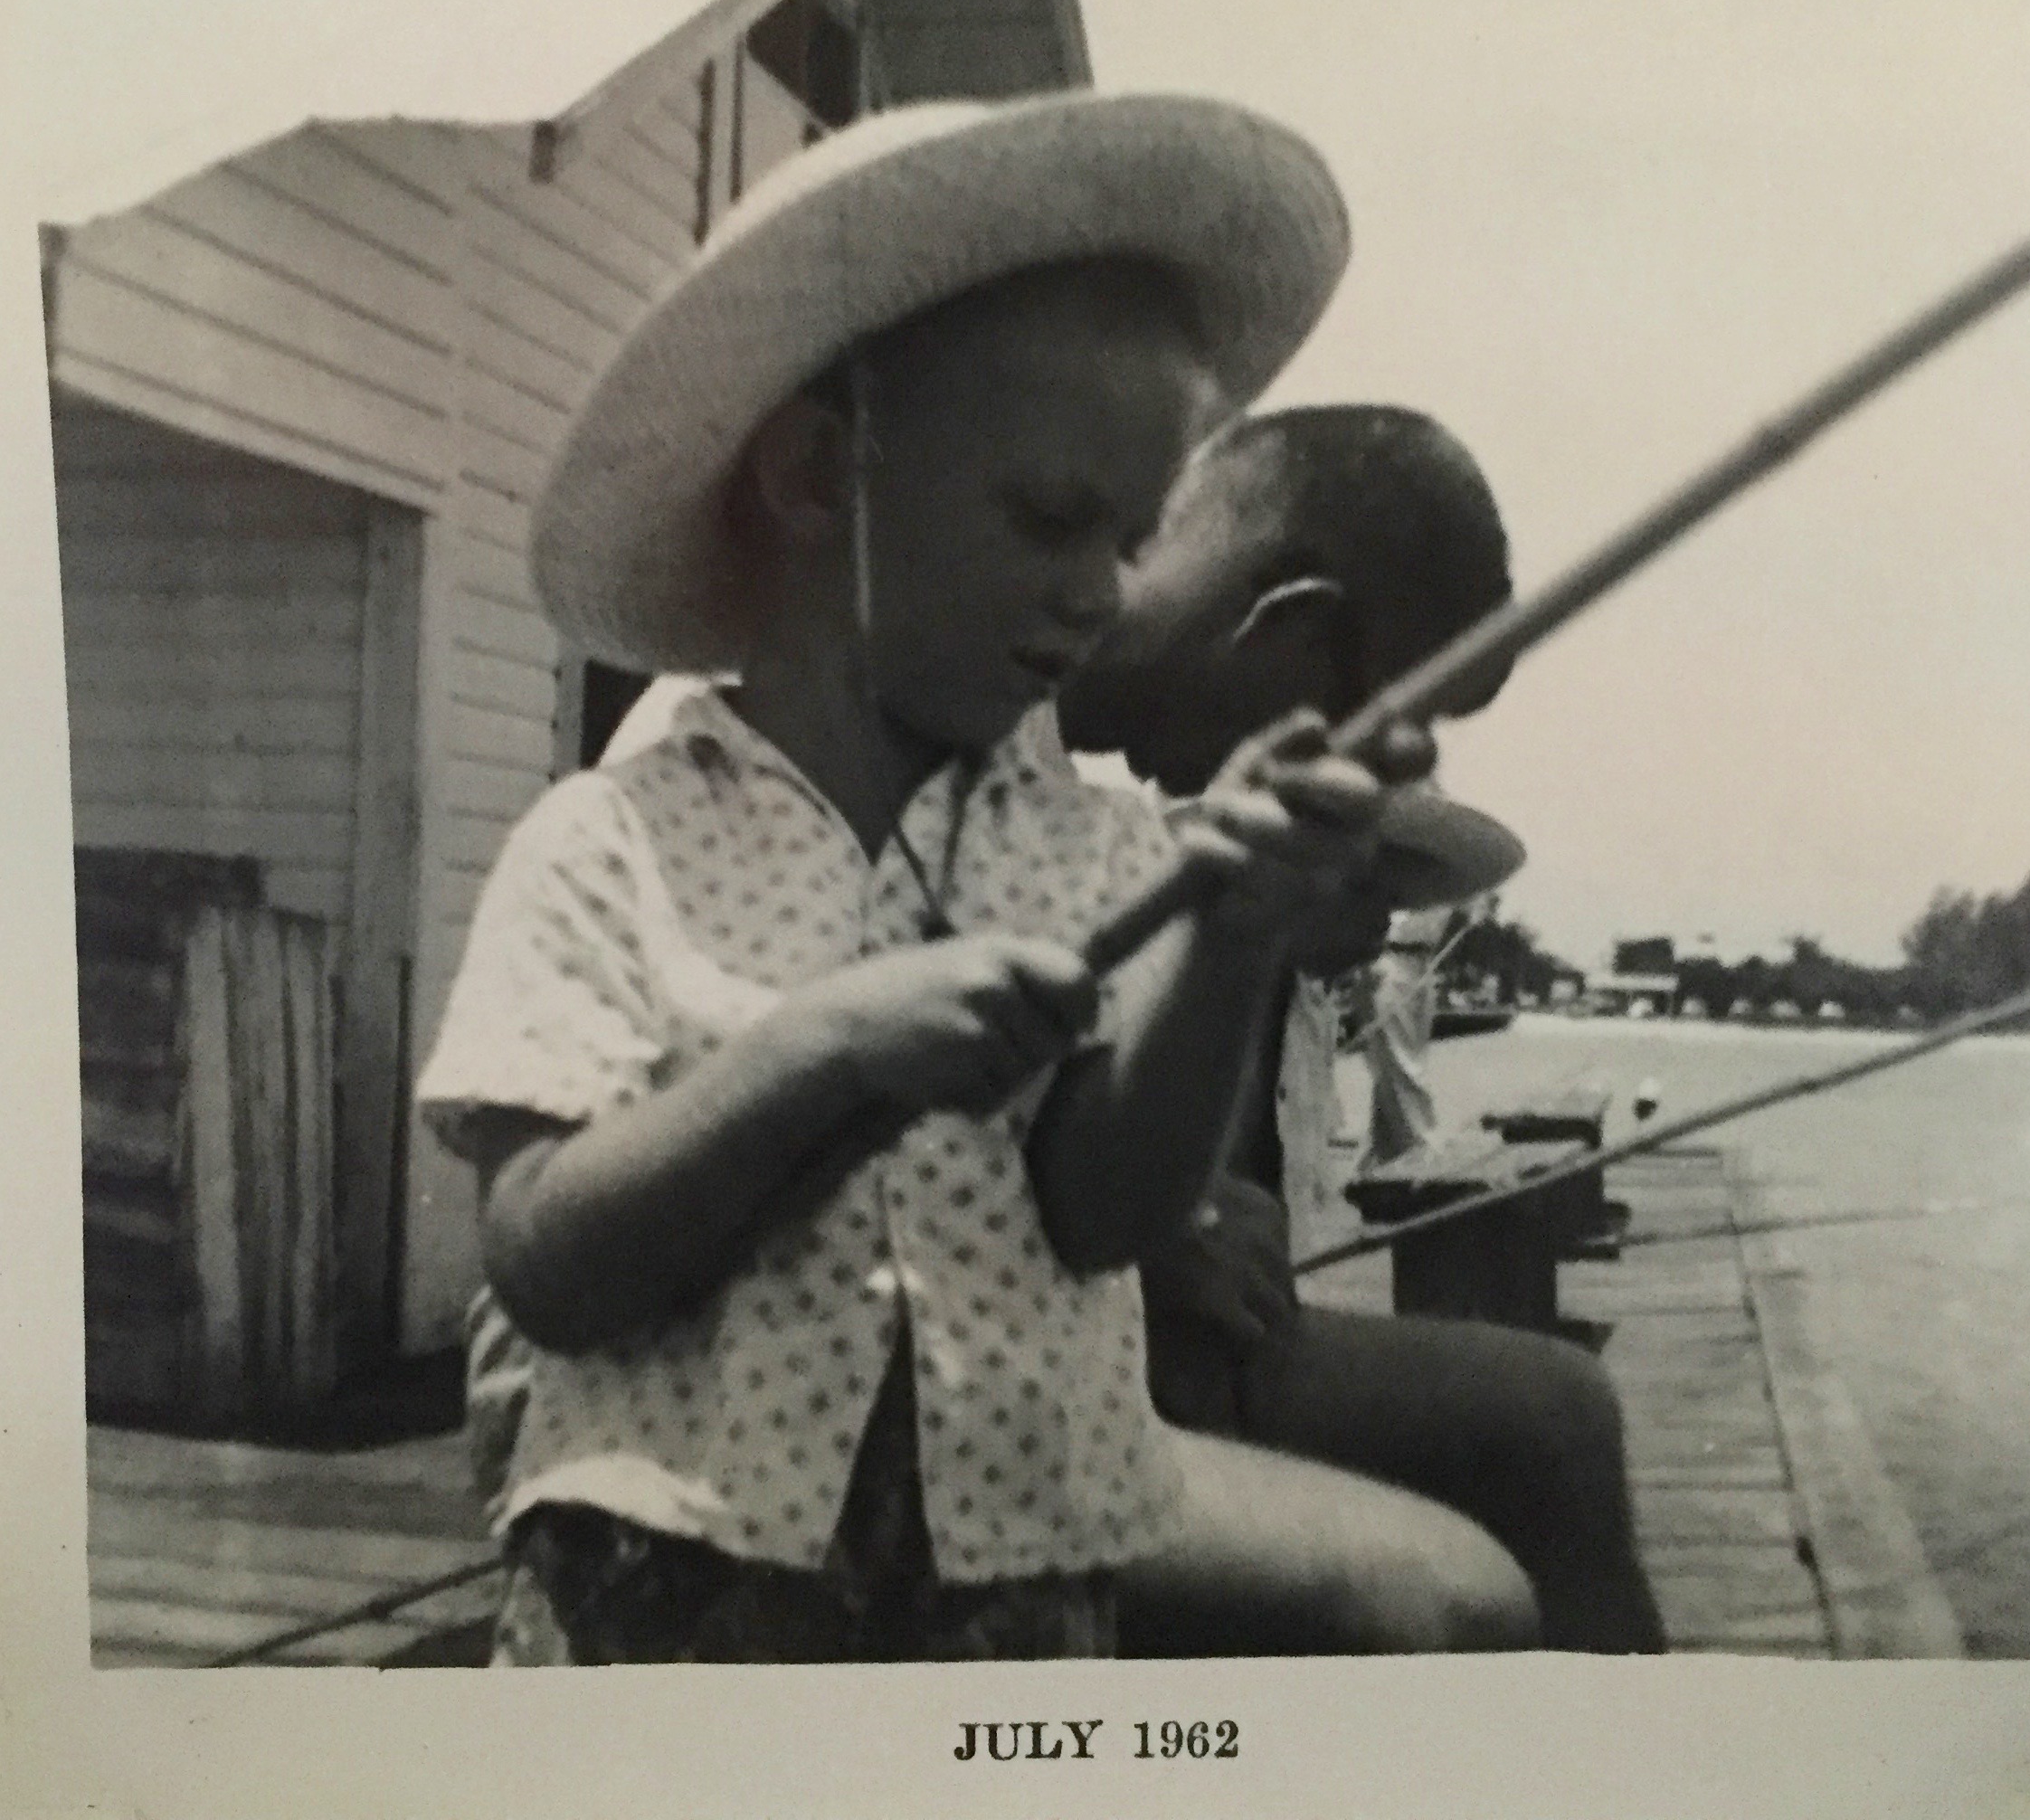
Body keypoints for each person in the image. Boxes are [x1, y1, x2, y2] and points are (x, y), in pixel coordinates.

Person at [414, 94, 1533, 1664]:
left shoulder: (1092, 846)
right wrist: (821, 1051)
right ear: (816, 481)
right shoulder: (611, 845)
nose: (1101, 594)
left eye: (1133, 538)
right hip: (667, 1619)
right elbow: (545, 1263)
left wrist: (1224, 941)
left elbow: (1106, 1213)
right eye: (1052, 519)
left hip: (1012, 1618)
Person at [1064, 404, 1668, 1654]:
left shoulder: (1075, 782)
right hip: (1023, 1392)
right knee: (1526, 1461)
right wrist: (1142, 1241)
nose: (1393, 768)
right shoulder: (964, 712)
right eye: (1383, 722)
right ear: (1291, 628)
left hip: (1115, 1348)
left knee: (1559, 1407)